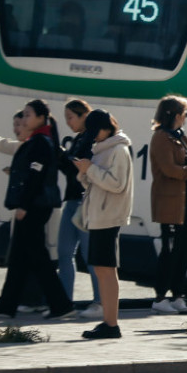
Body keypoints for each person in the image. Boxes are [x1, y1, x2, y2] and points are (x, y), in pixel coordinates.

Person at [0, 100, 73, 320]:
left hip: (35, 206)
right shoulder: (37, 141)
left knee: (37, 257)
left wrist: (24, 206)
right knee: (20, 256)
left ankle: (60, 305)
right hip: (35, 205)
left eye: (28, 115)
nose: (24, 119)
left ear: (40, 118)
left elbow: (36, 176)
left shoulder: (40, 142)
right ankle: (6, 306)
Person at [75, 109, 133, 340]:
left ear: (107, 128)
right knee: (102, 269)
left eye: (95, 130)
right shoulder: (103, 149)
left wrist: (89, 169)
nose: (93, 136)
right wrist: (85, 172)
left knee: (106, 270)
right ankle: (109, 322)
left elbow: (117, 184)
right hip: (99, 216)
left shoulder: (118, 150)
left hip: (109, 216)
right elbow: (96, 183)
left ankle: (111, 324)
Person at [149, 96, 187, 316]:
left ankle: (178, 295)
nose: (186, 118)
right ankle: (160, 297)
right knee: (170, 251)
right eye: (184, 114)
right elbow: (169, 169)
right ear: (175, 115)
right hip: (170, 203)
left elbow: (183, 163)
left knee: (184, 249)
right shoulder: (161, 138)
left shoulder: (180, 137)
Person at [55, 99, 104, 319]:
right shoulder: (78, 139)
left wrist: (66, 159)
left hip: (86, 202)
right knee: (64, 253)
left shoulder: (92, 140)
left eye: (70, 117)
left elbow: (84, 169)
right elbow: (71, 169)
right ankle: (65, 303)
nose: (68, 122)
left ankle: (100, 302)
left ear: (84, 115)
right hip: (71, 200)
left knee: (90, 255)